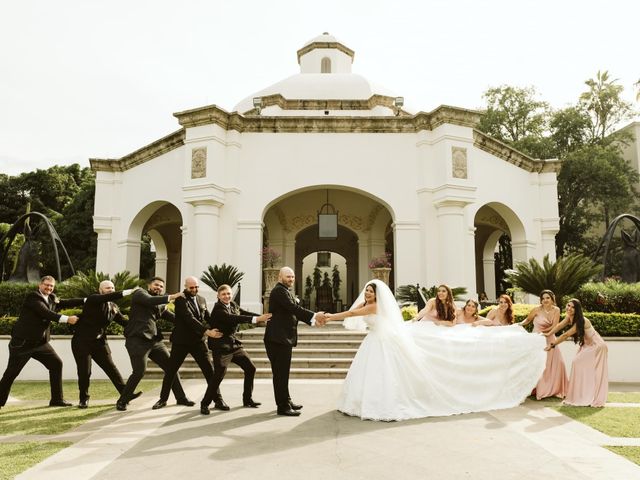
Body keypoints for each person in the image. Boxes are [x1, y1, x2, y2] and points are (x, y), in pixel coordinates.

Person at [328, 280, 546, 421]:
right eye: (365, 290)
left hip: (381, 341)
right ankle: (362, 401)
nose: (367, 293)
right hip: (375, 340)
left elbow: (349, 315)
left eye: (370, 291)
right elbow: (352, 311)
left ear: (377, 295)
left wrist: (328, 316)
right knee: (372, 373)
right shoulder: (370, 304)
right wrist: (331, 315)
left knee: (382, 372)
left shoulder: (376, 306)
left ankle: (377, 403)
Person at [0, 276, 82, 408]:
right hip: (22, 343)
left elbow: (65, 303)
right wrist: (67, 319)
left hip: (40, 343)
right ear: (40, 285)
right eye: (46, 285)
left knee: (56, 364)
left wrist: (87, 300)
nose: (49, 288)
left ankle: (57, 400)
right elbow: (46, 313)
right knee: (11, 373)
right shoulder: (33, 297)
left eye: (51, 286)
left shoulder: (51, 298)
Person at [116, 277, 194, 411]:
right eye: (156, 285)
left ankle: (181, 397)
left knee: (171, 368)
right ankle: (122, 400)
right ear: (149, 285)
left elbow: (175, 319)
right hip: (137, 340)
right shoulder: (140, 293)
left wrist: (196, 325)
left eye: (161, 287)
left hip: (155, 342)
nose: (159, 288)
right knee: (139, 372)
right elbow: (149, 300)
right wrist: (172, 296)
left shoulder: (160, 305)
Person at [152, 276, 223, 414]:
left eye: (196, 287)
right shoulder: (180, 299)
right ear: (185, 286)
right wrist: (207, 332)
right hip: (181, 342)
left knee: (210, 371)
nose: (194, 289)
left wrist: (221, 325)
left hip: (198, 342)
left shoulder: (201, 299)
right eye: (191, 287)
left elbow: (207, 317)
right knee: (171, 371)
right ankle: (163, 399)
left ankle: (218, 400)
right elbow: (189, 319)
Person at [264, 266, 326, 416]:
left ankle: (287, 400)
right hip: (278, 339)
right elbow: (293, 308)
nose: (291, 279)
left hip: (282, 338)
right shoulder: (279, 291)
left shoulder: (285, 291)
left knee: (283, 373)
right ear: (280, 277)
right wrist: (314, 315)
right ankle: (283, 406)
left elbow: (292, 311)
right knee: (280, 374)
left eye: (292, 277)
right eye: (288, 277)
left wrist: (312, 322)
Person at [72, 281, 141, 409]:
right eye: (107, 288)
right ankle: (83, 399)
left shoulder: (113, 306)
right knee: (84, 371)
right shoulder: (93, 299)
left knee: (111, 369)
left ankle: (125, 394)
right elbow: (108, 297)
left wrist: (141, 324)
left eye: (113, 288)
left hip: (100, 343)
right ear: (100, 290)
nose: (110, 290)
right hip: (82, 342)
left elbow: (124, 322)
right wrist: (129, 291)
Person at [209, 284, 272, 411]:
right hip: (221, 346)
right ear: (218, 296)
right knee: (219, 375)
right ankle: (205, 403)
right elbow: (235, 318)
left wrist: (263, 317)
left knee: (250, 368)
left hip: (234, 345)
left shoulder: (232, 305)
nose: (227, 296)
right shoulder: (218, 309)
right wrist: (256, 319)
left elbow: (243, 312)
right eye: (224, 294)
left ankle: (247, 399)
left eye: (228, 294)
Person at [545, 299, 608, 407]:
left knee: (576, 362)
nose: (569, 308)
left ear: (577, 309)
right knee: (579, 365)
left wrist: (552, 344)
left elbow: (566, 335)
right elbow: (559, 326)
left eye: (572, 307)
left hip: (597, 346)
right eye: (568, 305)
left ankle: (587, 395)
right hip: (587, 345)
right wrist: (548, 333)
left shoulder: (581, 320)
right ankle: (583, 393)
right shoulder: (569, 317)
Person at [520, 289, 568, 399]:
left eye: (548, 298)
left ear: (552, 299)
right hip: (536, 339)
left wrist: (545, 333)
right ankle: (535, 388)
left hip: (550, 338)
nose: (545, 300)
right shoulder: (536, 310)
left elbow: (555, 325)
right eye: (543, 298)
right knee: (537, 364)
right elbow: (527, 321)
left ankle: (552, 388)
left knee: (556, 363)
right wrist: (518, 325)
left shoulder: (556, 310)